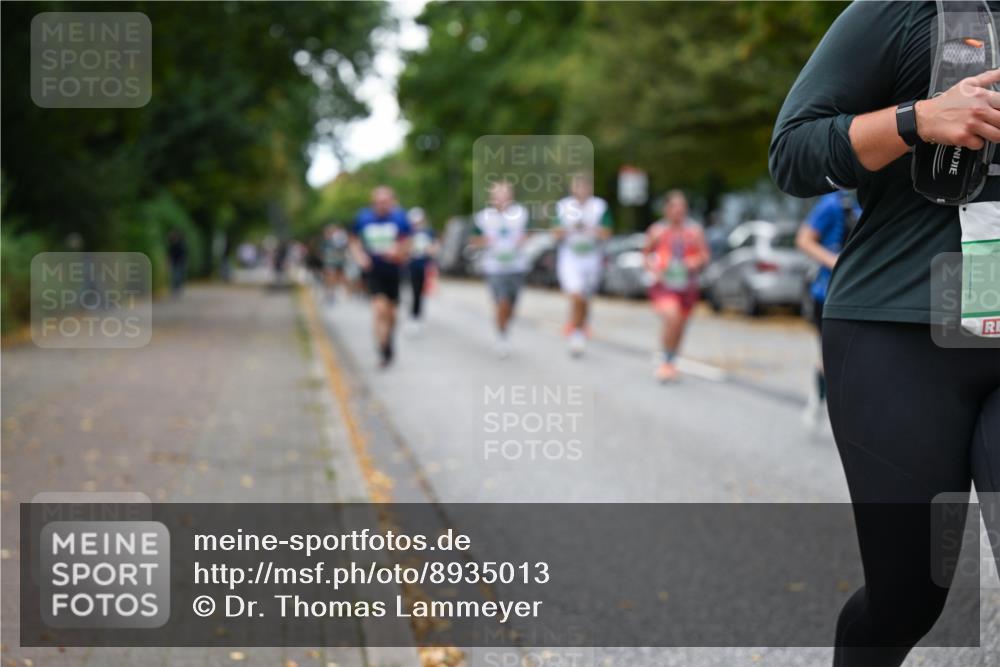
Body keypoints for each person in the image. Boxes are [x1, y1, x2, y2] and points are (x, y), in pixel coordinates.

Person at [770, 2, 1000, 665]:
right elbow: (793, 153)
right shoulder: (903, 12)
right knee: (908, 596)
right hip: (901, 328)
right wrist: (919, 119)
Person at [795, 191, 860, 426]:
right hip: (828, 293)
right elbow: (803, 239)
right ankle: (820, 398)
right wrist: (834, 261)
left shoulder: (876, 197)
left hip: (861, 294)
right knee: (831, 354)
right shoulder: (833, 204)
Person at [644, 191, 710, 383]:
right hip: (664, 284)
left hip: (687, 285)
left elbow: (704, 256)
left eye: (682, 206)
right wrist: (653, 269)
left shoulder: (694, 231)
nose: (678, 210)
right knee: (672, 318)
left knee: (680, 324)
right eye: (674, 206)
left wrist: (693, 262)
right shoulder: (657, 231)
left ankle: (671, 360)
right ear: (666, 209)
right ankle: (665, 361)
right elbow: (646, 255)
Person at [349, 186, 411, 368]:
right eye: (378, 202)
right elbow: (354, 241)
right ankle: (382, 349)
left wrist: (398, 251)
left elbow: (409, 242)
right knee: (379, 309)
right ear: (373, 202)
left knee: (391, 313)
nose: (382, 205)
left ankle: (389, 340)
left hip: (394, 271)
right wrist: (360, 257)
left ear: (392, 201)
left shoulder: (400, 218)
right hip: (374, 271)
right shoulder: (363, 218)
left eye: (385, 202)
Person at [553, 173, 612, 357]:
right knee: (576, 295)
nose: (582, 190)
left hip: (591, 259)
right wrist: (569, 228)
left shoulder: (599, 206)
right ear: (572, 188)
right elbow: (555, 233)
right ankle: (576, 333)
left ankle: (580, 325)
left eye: (585, 186)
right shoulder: (563, 207)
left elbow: (607, 233)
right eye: (578, 186)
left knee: (585, 298)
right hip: (570, 258)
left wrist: (592, 228)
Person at [473, 181, 530, 359]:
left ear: (511, 196)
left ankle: (504, 327)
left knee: (511, 306)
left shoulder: (521, 214)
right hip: (494, 267)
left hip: (516, 266)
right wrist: (485, 241)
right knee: (502, 302)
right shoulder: (483, 217)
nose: (501, 199)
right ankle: (502, 337)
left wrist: (523, 239)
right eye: (498, 195)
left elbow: (529, 234)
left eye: (505, 195)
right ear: (492, 198)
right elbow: (474, 239)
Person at [405, 207, 438, 334]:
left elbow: (434, 248)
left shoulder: (428, 232)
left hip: (424, 266)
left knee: (421, 293)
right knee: (414, 292)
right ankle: (414, 316)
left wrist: (430, 249)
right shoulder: (409, 232)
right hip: (412, 266)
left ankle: (417, 317)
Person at [320, 224, 349, 304]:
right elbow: (322, 252)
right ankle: (331, 293)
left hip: (339, 261)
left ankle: (343, 293)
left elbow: (344, 247)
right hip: (330, 262)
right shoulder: (325, 242)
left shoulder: (339, 239)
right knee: (330, 278)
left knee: (341, 277)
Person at [166, 228, 187, 297]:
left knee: (178, 276)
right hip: (174, 262)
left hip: (179, 263)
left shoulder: (181, 244)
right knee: (174, 276)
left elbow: (183, 254)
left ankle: (177, 289)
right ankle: (174, 289)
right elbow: (169, 254)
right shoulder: (172, 245)